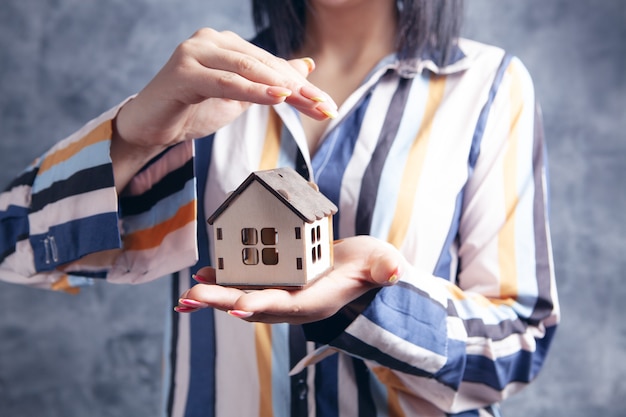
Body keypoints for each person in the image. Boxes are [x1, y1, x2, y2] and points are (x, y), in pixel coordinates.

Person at [0, 0, 560, 416]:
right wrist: (132, 137)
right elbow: (16, 248)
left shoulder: (489, 86)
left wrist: (371, 307)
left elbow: (517, 344)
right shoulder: (207, 88)